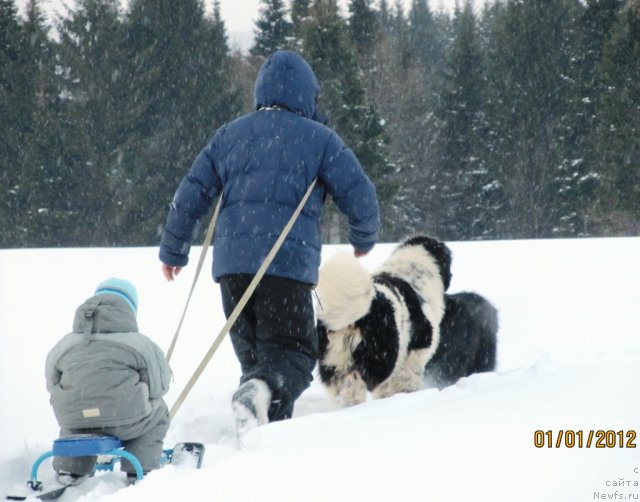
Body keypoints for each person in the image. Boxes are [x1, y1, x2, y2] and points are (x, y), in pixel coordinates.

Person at [159, 50, 381, 436]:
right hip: (286, 268)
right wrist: (363, 236)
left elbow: (190, 193)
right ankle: (263, 412)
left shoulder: (229, 136)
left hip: (232, 271)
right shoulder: (320, 140)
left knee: (258, 363)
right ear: (308, 96)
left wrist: (173, 249)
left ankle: (262, 438)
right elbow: (359, 192)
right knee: (293, 355)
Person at [45, 278, 171, 485]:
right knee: (158, 414)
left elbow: (52, 384)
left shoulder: (64, 345)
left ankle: (71, 469)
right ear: (129, 309)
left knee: (75, 416)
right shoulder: (140, 344)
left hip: (77, 422)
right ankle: (140, 467)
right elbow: (159, 387)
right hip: (128, 420)